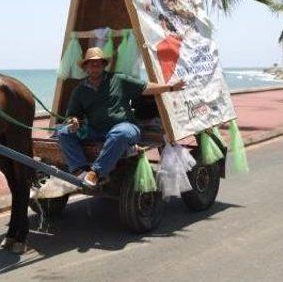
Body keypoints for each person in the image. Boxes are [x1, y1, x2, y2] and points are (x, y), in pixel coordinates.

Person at [56, 47, 186, 188]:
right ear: (85, 67)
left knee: (119, 133)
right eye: (91, 64)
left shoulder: (117, 79)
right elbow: (73, 114)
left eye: (98, 63)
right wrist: (73, 121)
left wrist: (170, 87)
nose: (95, 67)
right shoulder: (80, 90)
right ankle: (79, 170)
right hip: (96, 130)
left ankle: (96, 173)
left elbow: (145, 87)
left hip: (125, 127)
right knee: (63, 132)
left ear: (104, 65)